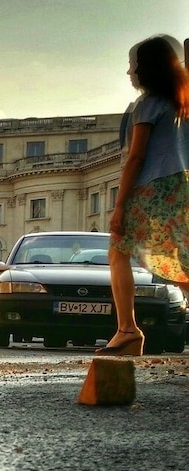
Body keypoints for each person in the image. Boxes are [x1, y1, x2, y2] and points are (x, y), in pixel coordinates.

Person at [102, 35, 189, 356]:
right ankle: (127, 332)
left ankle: (127, 330)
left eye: (133, 65)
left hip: (151, 188)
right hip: (180, 187)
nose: (129, 72)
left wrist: (120, 205)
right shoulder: (181, 103)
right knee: (181, 260)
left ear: (147, 68)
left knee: (118, 251)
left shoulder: (148, 104)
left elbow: (136, 157)